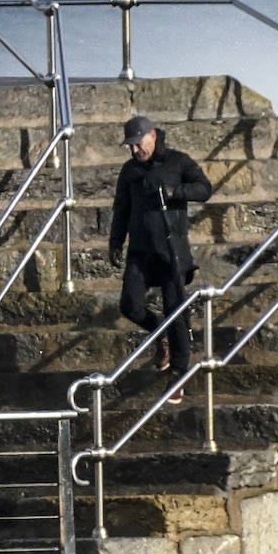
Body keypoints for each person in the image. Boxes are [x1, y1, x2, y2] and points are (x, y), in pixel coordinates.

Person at [109, 115, 213, 403]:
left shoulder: (178, 162)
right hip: (140, 251)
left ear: (152, 136)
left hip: (171, 251)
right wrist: (115, 242)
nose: (134, 150)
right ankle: (161, 335)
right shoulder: (129, 171)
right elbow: (121, 209)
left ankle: (179, 374)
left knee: (176, 310)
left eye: (137, 144)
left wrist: (176, 191)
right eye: (129, 146)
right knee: (130, 306)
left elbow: (205, 189)